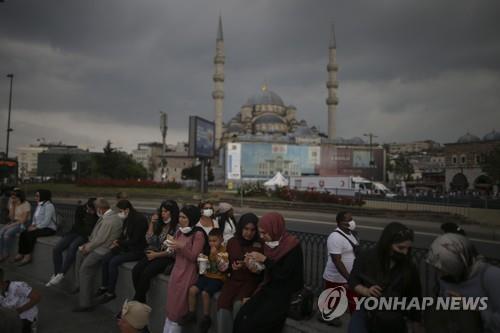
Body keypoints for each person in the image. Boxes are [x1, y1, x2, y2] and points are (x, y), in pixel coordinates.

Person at [233, 212, 303, 333]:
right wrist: (256, 267)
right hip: (268, 288)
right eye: (260, 232)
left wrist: (264, 260)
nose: (261, 236)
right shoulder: (271, 244)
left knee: (257, 323)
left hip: (283, 293)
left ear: (274, 229)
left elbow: (284, 275)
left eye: (264, 233)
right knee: (242, 317)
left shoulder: (292, 247)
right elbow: (269, 271)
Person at [348, 222, 423, 333]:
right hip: (367, 313)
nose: (405, 252)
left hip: (394, 318)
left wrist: (416, 325)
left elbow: (416, 296)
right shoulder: (366, 257)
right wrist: (365, 290)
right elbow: (353, 280)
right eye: (400, 248)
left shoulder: (409, 267)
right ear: (387, 244)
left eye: (408, 248)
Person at [426, 233, 500, 333]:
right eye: (438, 269)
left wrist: (473, 309)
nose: (440, 275)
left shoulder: (491, 276)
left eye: (445, 270)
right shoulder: (446, 277)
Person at [73, 198, 123, 312]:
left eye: (95, 209)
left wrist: (87, 247)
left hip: (102, 250)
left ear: (99, 209)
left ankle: (85, 302)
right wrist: (86, 245)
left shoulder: (109, 220)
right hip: (99, 247)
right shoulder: (109, 216)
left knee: (85, 270)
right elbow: (97, 237)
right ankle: (79, 285)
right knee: (79, 254)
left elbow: (100, 239)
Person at [217, 213, 263, 333]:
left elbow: (263, 269)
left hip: (250, 282)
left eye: (253, 230)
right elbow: (227, 263)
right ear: (241, 227)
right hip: (233, 280)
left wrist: (252, 265)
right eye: (246, 229)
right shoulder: (233, 242)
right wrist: (227, 265)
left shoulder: (259, 244)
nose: (249, 233)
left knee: (239, 305)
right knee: (223, 303)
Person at [162, 205, 206, 333]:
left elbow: (194, 257)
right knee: (171, 305)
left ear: (192, 218)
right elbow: (176, 254)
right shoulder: (179, 231)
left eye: (184, 217)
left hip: (188, 273)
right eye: (180, 217)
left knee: (179, 308)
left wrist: (181, 246)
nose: (180, 220)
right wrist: (171, 247)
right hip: (176, 271)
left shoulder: (198, 234)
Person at [96, 200, 148, 304]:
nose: (119, 214)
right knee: (106, 258)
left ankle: (111, 292)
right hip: (126, 247)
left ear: (127, 209)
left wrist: (119, 242)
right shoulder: (127, 218)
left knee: (114, 261)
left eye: (120, 211)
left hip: (137, 250)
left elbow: (136, 240)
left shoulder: (139, 219)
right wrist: (117, 241)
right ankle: (104, 286)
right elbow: (123, 234)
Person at [181, 228, 229, 333]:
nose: (212, 243)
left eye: (214, 241)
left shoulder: (224, 251)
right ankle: (191, 313)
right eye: (210, 241)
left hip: (218, 278)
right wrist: (202, 261)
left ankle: (206, 317)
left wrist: (216, 256)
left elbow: (224, 268)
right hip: (207, 276)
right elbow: (205, 267)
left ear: (221, 240)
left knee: (205, 293)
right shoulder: (207, 250)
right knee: (192, 290)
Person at [132, 200, 179, 303]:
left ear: (172, 212)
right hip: (154, 253)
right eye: (161, 211)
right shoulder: (160, 224)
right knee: (136, 270)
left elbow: (172, 251)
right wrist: (152, 224)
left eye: (166, 211)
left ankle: (136, 302)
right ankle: (140, 300)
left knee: (146, 273)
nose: (163, 214)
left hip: (166, 257)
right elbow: (149, 240)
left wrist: (156, 255)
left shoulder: (177, 227)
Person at [46, 198, 99, 286]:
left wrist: (90, 220)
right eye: (91, 209)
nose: (92, 211)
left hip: (84, 236)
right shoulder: (80, 209)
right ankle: (56, 273)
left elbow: (92, 229)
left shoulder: (96, 214)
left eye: (94, 210)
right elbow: (78, 225)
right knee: (57, 248)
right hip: (75, 232)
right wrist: (85, 230)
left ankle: (62, 273)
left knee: (73, 247)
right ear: (88, 206)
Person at [321, 211, 359, 326]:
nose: (351, 222)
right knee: (334, 300)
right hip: (336, 278)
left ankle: (357, 323)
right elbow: (337, 261)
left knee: (354, 301)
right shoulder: (335, 237)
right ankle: (328, 317)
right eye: (348, 220)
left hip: (349, 276)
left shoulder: (351, 234)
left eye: (352, 219)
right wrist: (349, 278)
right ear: (340, 222)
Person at [14, 189, 57, 266]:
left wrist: (36, 227)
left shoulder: (49, 206)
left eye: (37, 196)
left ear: (43, 196)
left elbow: (46, 221)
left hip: (48, 228)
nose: (35, 197)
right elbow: (35, 217)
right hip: (39, 226)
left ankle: (28, 255)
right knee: (23, 233)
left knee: (30, 235)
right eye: (36, 195)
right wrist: (33, 225)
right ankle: (21, 253)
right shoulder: (40, 204)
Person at [0, 268, 41, 333]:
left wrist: (19, 310)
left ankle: (32, 326)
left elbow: (37, 297)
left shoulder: (17, 286)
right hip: (11, 317)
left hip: (26, 316)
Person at [0, 190, 31, 262]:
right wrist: (13, 207)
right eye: (12, 198)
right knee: (1, 233)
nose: (12, 199)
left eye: (14, 198)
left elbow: (23, 220)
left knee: (7, 234)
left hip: (23, 224)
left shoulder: (26, 204)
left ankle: (6, 253)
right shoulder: (13, 204)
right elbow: (11, 218)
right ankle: (0, 254)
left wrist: (10, 225)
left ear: (19, 197)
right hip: (14, 222)